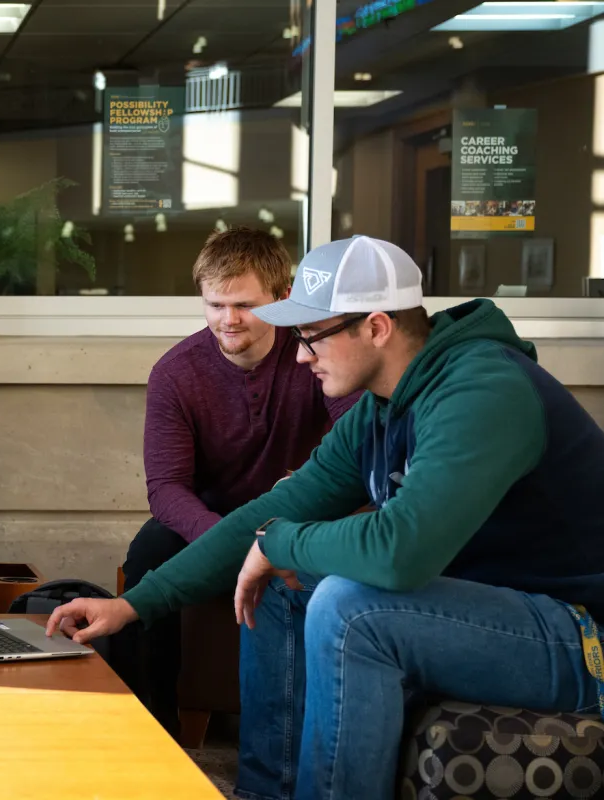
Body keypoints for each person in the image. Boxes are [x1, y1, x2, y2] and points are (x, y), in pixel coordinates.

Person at [48, 235, 604, 800]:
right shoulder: (382, 407)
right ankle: (268, 791)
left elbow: (401, 551)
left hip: (580, 636)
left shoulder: (482, 392)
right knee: (284, 579)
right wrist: (132, 605)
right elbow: (272, 512)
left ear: (376, 327)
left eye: (312, 336)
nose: (300, 356)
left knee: (349, 606)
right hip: (488, 608)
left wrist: (281, 542)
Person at [114, 228, 358, 733]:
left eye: (245, 305)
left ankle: (310, 727)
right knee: (148, 552)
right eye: (215, 305)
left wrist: (301, 495)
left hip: (302, 510)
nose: (228, 319)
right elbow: (166, 488)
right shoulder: (175, 373)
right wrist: (226, 541)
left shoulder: (316, 354)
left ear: (283, 297)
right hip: (210, 516)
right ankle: (151, 730)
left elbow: (357, 442)